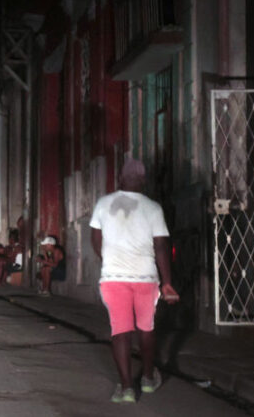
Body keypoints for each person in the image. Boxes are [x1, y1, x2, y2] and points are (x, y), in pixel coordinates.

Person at [90, 158, 178, 403]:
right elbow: (161, 245)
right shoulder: (153, 208)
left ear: (120, 178)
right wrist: (167, 281)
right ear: (143, 180)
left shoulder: (103, 204)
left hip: (113, 278)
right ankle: (148, 378)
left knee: (120, 332)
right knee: (146, 329)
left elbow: (96, 240)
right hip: (145, 278)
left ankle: (127, 387)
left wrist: (110, 260)